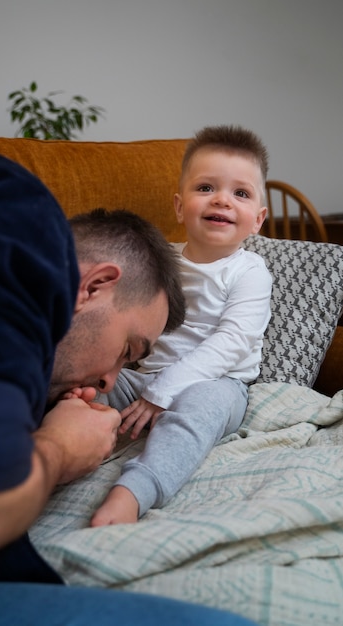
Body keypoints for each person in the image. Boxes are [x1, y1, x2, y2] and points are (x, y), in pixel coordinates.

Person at [0, 143, 258, 626]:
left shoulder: (249, 272)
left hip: (221, 382)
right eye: (128, 349)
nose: (108, 379)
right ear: (95, 286)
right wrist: (58, 451)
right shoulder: (13, 240)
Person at [91, 124, 273, 527]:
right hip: (146, 379)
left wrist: (164, 392)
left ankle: (136, 491)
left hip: (219, 385)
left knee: (197, 411)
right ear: (179, 206)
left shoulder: (249, 271)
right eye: (206, 188)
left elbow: (233, 341)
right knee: (91, 381)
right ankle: (53, 437)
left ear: (257, 219)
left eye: (240, 193)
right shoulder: (161, 260)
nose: (222, 200)